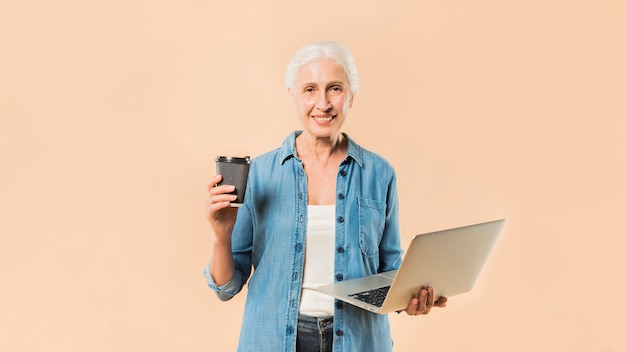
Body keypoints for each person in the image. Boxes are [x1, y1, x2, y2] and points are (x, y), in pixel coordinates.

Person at [204, 41, 447, 352]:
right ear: (292, 96)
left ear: (351, 96)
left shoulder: (379, 173)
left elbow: (389, 269)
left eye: (334, 88)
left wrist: (411, 299)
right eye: (309, 89)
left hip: (358, 341)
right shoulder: (261, 173)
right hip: (274, 340)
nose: (323, 103)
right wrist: (220, 235)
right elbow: (226, 287)